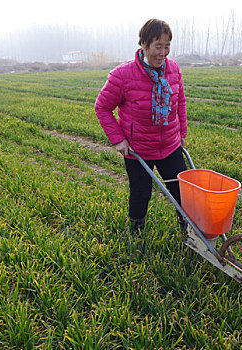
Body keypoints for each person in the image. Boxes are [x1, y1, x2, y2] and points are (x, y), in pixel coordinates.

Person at [95, 18, 188, 233]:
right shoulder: (122, 75)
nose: (163, 52)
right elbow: (102, 108)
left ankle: (189, 233)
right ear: (144, 45)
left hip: (170, 145)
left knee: (181, 192)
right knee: (140, 193)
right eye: (158, 46)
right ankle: (136, 233)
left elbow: (180, 102)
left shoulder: (173, 69)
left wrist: (182, 132)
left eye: (167, 46)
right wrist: (118, 139)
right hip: (138, 149)